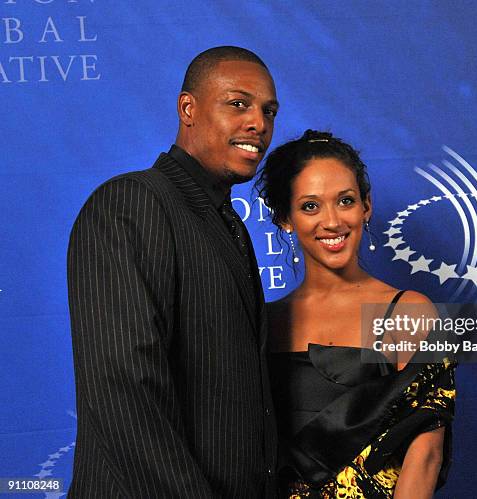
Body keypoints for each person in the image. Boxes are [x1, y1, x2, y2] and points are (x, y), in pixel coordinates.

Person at [67, 46, 279, 498]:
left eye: (268, 111)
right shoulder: (130, 204)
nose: (258, 124)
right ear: (188, 109)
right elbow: (123, 390)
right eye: (238, 103)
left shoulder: (226, 223)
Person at [256, 130, 456, 498]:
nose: (332, 222)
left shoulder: (406, 311)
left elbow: (425, 454)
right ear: (285, 218)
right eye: (310, 206)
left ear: (366, 206)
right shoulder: (266, 323)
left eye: (345, 201)